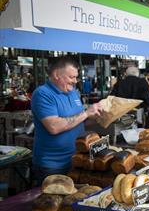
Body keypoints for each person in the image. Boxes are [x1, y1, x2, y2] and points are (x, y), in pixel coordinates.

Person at [31, 57, 103, 185]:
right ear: (57, 74)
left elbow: (78, 121)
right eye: (71, 77)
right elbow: (54, 126)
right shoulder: (42, 94)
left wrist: (98, 117)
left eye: (76, 77)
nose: (75, 81)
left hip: (76, 160)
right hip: (53, 165)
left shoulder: (73, 93)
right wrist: (86, 113)